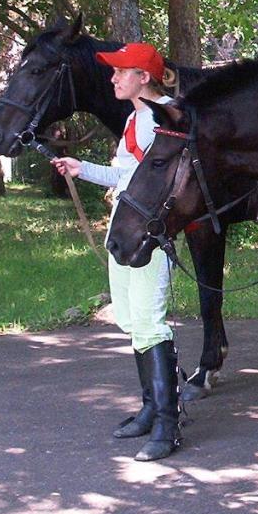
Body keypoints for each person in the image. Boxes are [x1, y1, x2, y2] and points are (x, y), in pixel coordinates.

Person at [51, 42, 182, 462]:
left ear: (144, 77)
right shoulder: (134, 118)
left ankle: (167, 422)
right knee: (131, 319)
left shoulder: (167, 118)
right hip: (125, 229)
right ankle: (151, 408)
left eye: (120, 71)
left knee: (149, 321)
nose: (112, 78)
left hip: (149, 233)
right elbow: (126, 175)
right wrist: (80, 168)